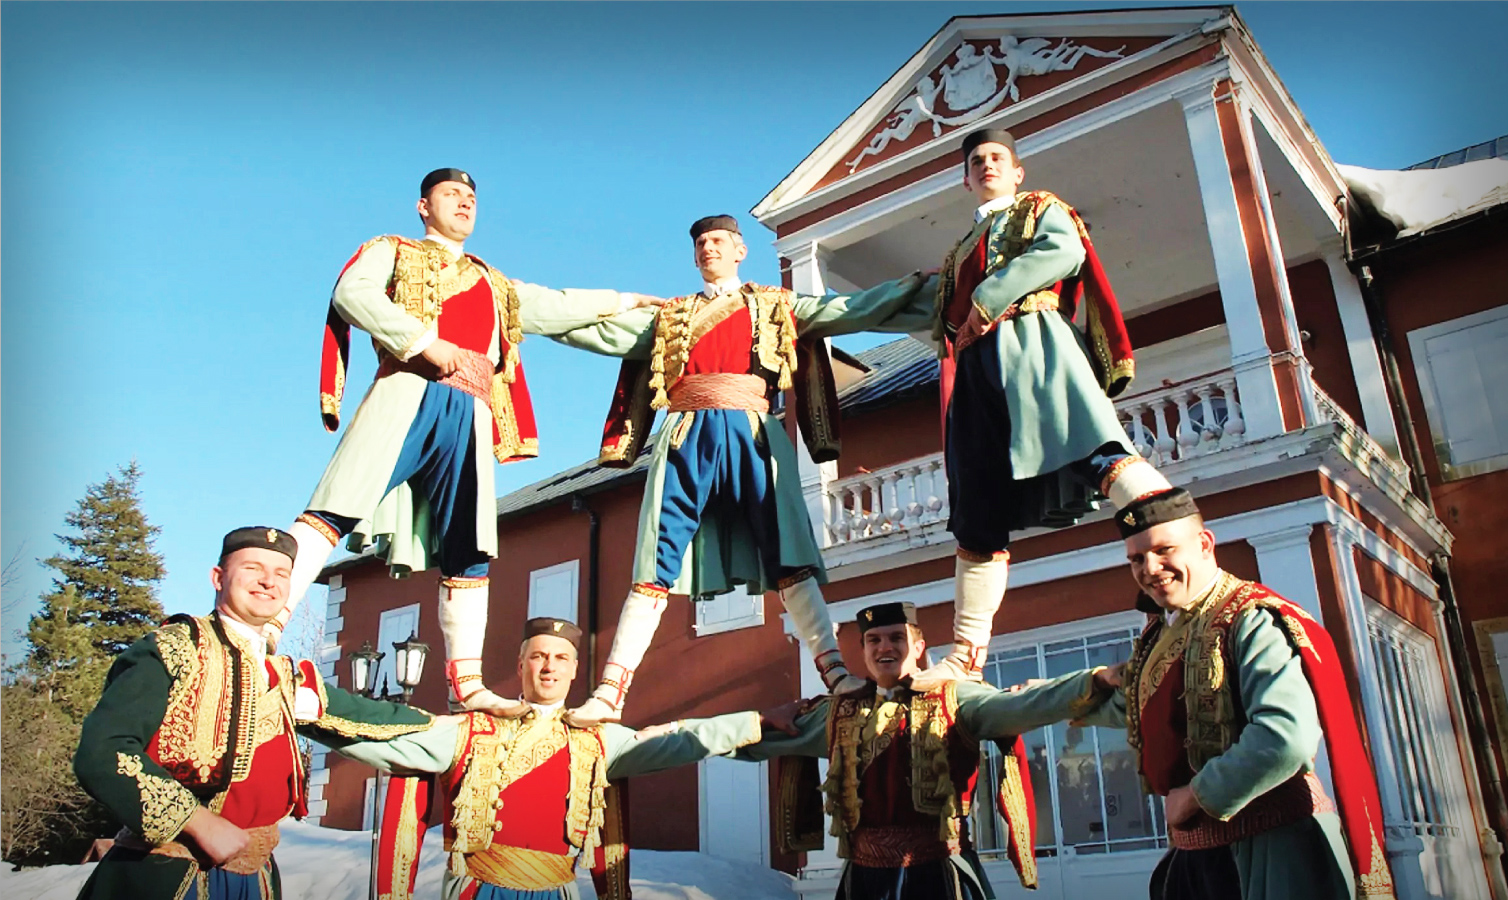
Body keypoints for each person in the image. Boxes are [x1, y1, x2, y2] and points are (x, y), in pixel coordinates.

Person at [271, 167, 663, 715]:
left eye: (472, 198)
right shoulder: (392, 249)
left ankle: (467, 685)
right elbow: (351, 293)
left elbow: (556, 305)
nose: (464, 204)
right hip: (408, 388)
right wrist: (423, 343)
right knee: (337, 504)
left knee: (470, 545)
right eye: (452, 195)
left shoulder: (494, 281)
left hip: (473, 408)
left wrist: (625, 301)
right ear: (422, 207)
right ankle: (263, 629)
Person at [549, 214, 937, 725]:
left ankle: (836, 673)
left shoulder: (774, 306)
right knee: (654, 563)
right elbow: (602, 335)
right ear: (695, 256)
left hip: (752, 432)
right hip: (685, 434)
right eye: (701, 244)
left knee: (788, 555)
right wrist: (530, 317)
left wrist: (920, 285)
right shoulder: (672, 317)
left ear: (739, 250)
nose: (708, 249)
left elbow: (847, 310)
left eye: (718, 241)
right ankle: (610, 693)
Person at [910, 127, 1173, 689]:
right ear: (964, 177)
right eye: (976, 161)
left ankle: (1188, 568)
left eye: (997, 158)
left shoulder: (1040, 208)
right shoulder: (958, 252)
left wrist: (985, 298)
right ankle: (965, 654)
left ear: (1016, 170)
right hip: (975, 372)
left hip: (1032, 343)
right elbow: (915, 305)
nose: (986, 166)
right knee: (976, 510)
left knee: (1094, 448)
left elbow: (1064, 250)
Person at [72, 527, 438, 900]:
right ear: (218, 578)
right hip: (166, 872)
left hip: (256, 877)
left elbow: (365, 715)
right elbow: (104, 753)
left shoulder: (284, 675)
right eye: (253, 568)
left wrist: (452, 725)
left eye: (282, 574)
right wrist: (197, 822)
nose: (268, 581)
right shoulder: (172, 649)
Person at [1075, 487, 1396, 899]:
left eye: (1163, 550)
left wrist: (1194, 796)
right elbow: (1134, 707)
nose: (1150, 569)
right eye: (1136, 559)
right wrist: (1052, 694)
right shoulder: (1163, 633)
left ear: (1205, 544)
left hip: (1275, 852)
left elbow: (1285, 737)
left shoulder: (1252, 618)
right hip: (1196, 860)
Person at [330, 616, 774, 900]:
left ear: (575, 669)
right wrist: (310, 702)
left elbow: (680, 741)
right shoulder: (471, 727)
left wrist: (758, 722)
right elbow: (386, 733)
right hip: (478, 890)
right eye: (539, 656)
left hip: (556, 891)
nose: (549, 666)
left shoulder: (598, 741)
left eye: (561, 658)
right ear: (520, 663)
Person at [737, 600, 1122, 900]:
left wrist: (1095, 680)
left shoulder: (957, 698)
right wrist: (715, 733)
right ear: (863, 649)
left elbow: (1024, 707)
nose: (884, 647)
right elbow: (761, 738)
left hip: (938, 874)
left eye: (896, 638)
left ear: (918, 646)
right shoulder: (839, 712)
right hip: (865, 879)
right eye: (874, 639)